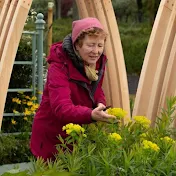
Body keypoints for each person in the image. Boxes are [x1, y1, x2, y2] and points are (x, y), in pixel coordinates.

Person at [30, 17, 115, 160]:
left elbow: (96, 88)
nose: (96, 51)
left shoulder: (96, 63)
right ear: (77, 45)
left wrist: (100, 102)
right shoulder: (58, 67)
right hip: (51, 138)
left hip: (76, 138)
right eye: (91, 45)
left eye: (100, 45)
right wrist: (91, 115)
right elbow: (61, 108)